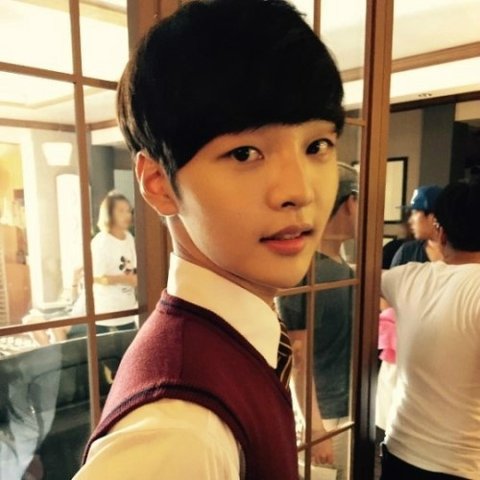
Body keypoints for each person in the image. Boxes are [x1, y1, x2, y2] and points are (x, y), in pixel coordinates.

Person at [73, 1, 345, 479]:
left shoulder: (237, 342)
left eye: (316, 146)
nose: (299, 190)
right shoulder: (179, 432)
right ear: (158, 183)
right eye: (245, 153)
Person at [380, 181, 480, 479]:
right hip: (462, 464)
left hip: (400, 451)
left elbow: (356, 276)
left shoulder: (407, 279)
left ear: (440, 231)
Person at [278, 163, 358, 480]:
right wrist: (313, 426)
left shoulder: (343, 269)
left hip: (345, 407)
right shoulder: (309, 272)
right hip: (326, 416)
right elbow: (298, 357)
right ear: (351, 203)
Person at [71, 191, 138, 332]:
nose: (127, 215)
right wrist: (123, 279)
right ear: (109, 214)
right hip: (105, 314)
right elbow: (93, 277)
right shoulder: (101, 242)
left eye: (128, 211)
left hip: (128, 310)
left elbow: (132, 267)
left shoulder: (129, 237)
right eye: (121, 211)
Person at [390, 185, 443, 267]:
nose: (410, 221)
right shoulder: (407, 252)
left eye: (414, 213)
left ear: (433, 217)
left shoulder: (460, 254)